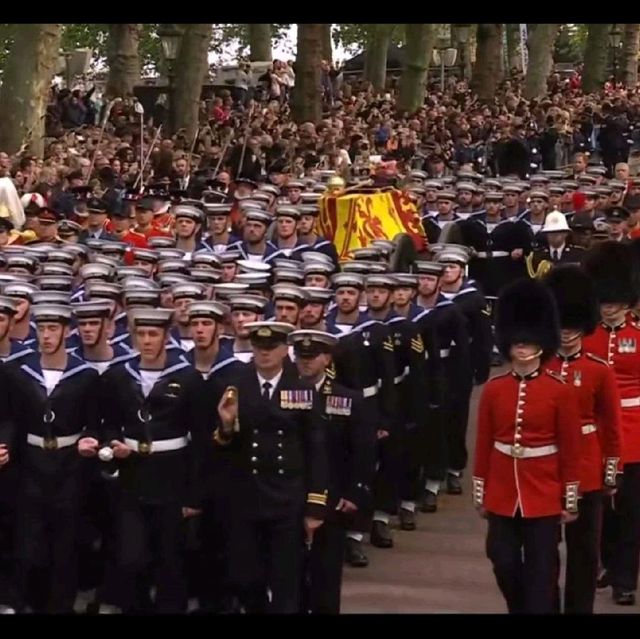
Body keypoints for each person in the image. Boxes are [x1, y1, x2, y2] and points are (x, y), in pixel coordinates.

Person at [474, 278, 582, 615]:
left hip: (545, 491)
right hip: (504, 490)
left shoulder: (559, 391)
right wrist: (481, 492)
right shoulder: (494, 389)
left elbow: (570, 447)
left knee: (542, 569)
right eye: (517, 342)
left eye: (527, 342)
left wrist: (570, 496)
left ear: (540, 344)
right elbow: (484, 443)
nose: (521, 347)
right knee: (502, 560)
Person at [97, 307, 210, 613]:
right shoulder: (120, 375)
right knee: (130, 557)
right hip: (133, 474)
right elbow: (108, 421)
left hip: (172, 475)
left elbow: (200, 439)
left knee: (170, 561)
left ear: (165, 336)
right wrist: (112, 445)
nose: (146, 341)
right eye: (141, 334)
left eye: (153, 334)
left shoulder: (188, 378)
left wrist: (194, 493)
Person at [213, 321, 329, 614]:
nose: (264, 354)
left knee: (286, 580)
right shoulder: (236, 385)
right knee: (246, 578)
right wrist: (226, 426)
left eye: (272, 347)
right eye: (258, 347)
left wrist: (315, 506)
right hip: (247, 497)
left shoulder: (301, 389)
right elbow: (222, 446)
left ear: (284, 350)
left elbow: (316, 450)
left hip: (286, 498)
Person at [5, 303, 100, 613]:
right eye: (42, 329)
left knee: (66, 543)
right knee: (28, 542)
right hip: (31, 464)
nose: (46, 336)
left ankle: (60, 605)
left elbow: (95, 421)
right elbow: (10, 418)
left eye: (53, 329)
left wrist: (90, 440)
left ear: (66, 332)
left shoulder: (84, 375)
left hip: (69, 465)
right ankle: (23, 602)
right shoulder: (19, 372)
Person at [544, 266, 622, 614]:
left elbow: (611, 425)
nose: (567, 333)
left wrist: (610, 472)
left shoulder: (598, 369)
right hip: (545, 467)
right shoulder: (539, 366)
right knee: (544, 553)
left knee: (584, 552)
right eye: (562, 326)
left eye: (573, 327)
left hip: (588, 469)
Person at [288, 329, 374, 614]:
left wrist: (355, 492)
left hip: (333, 500)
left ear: (326, 358)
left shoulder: (347, 399)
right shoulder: (285, 394)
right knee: (291, 578)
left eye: (312, 357)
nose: (306, 362)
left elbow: (362, 451)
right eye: (301, 356)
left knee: (326, 578)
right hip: (291, 497)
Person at [582, 241, 640, 605]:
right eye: (604, 301)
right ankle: (604, 562)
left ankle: (625, 579)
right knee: (599, 507)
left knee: (632, 509)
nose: (609, 307)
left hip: (634, 428)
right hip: (596, 432)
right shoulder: (588, 335)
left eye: (615, 301)